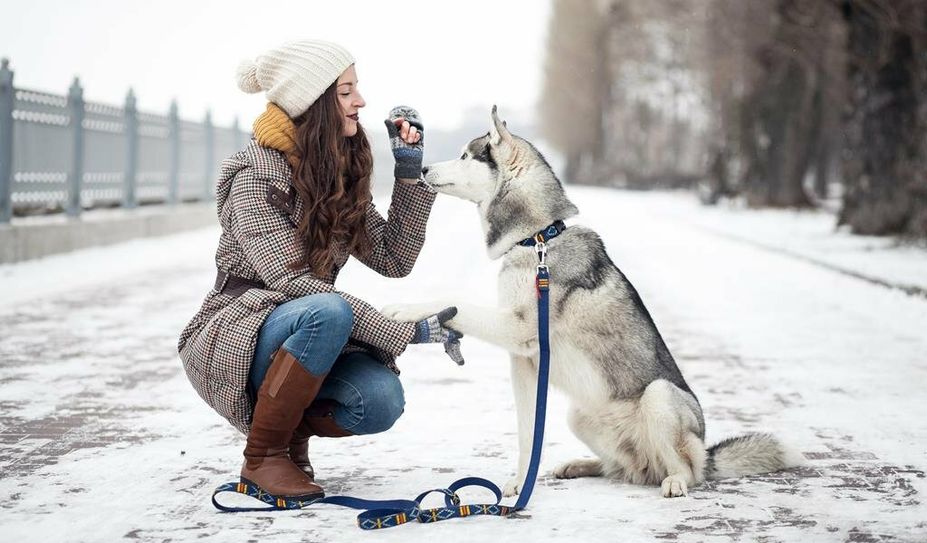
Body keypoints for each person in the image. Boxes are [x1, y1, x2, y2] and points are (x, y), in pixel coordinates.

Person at [176, 39, 461, 501]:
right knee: (326, 310)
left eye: (357, 89)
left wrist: (409, 175)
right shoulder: (254, 176)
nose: (361, 102)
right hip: (240, 328)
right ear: (315, 101)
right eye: (346, 91)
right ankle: (263, 458)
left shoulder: (337, 171)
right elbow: (292, 285)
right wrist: (401, 332)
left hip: (311, 323)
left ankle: (290, 439)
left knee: (380, 401)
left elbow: (393, 258)